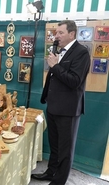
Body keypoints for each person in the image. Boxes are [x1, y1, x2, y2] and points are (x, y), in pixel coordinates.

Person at [31, 20, 90, 185]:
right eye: (56, 32)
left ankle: (58, 182)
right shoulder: (58, 50)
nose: (56, 36)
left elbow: (75, 81)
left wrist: (55, 66)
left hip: (68, 110)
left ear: (72, 34)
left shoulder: (81, 53)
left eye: (60, 33)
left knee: (65, 151)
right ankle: (51, 173)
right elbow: (54, 78)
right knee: (55, 147)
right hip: (53, 106)